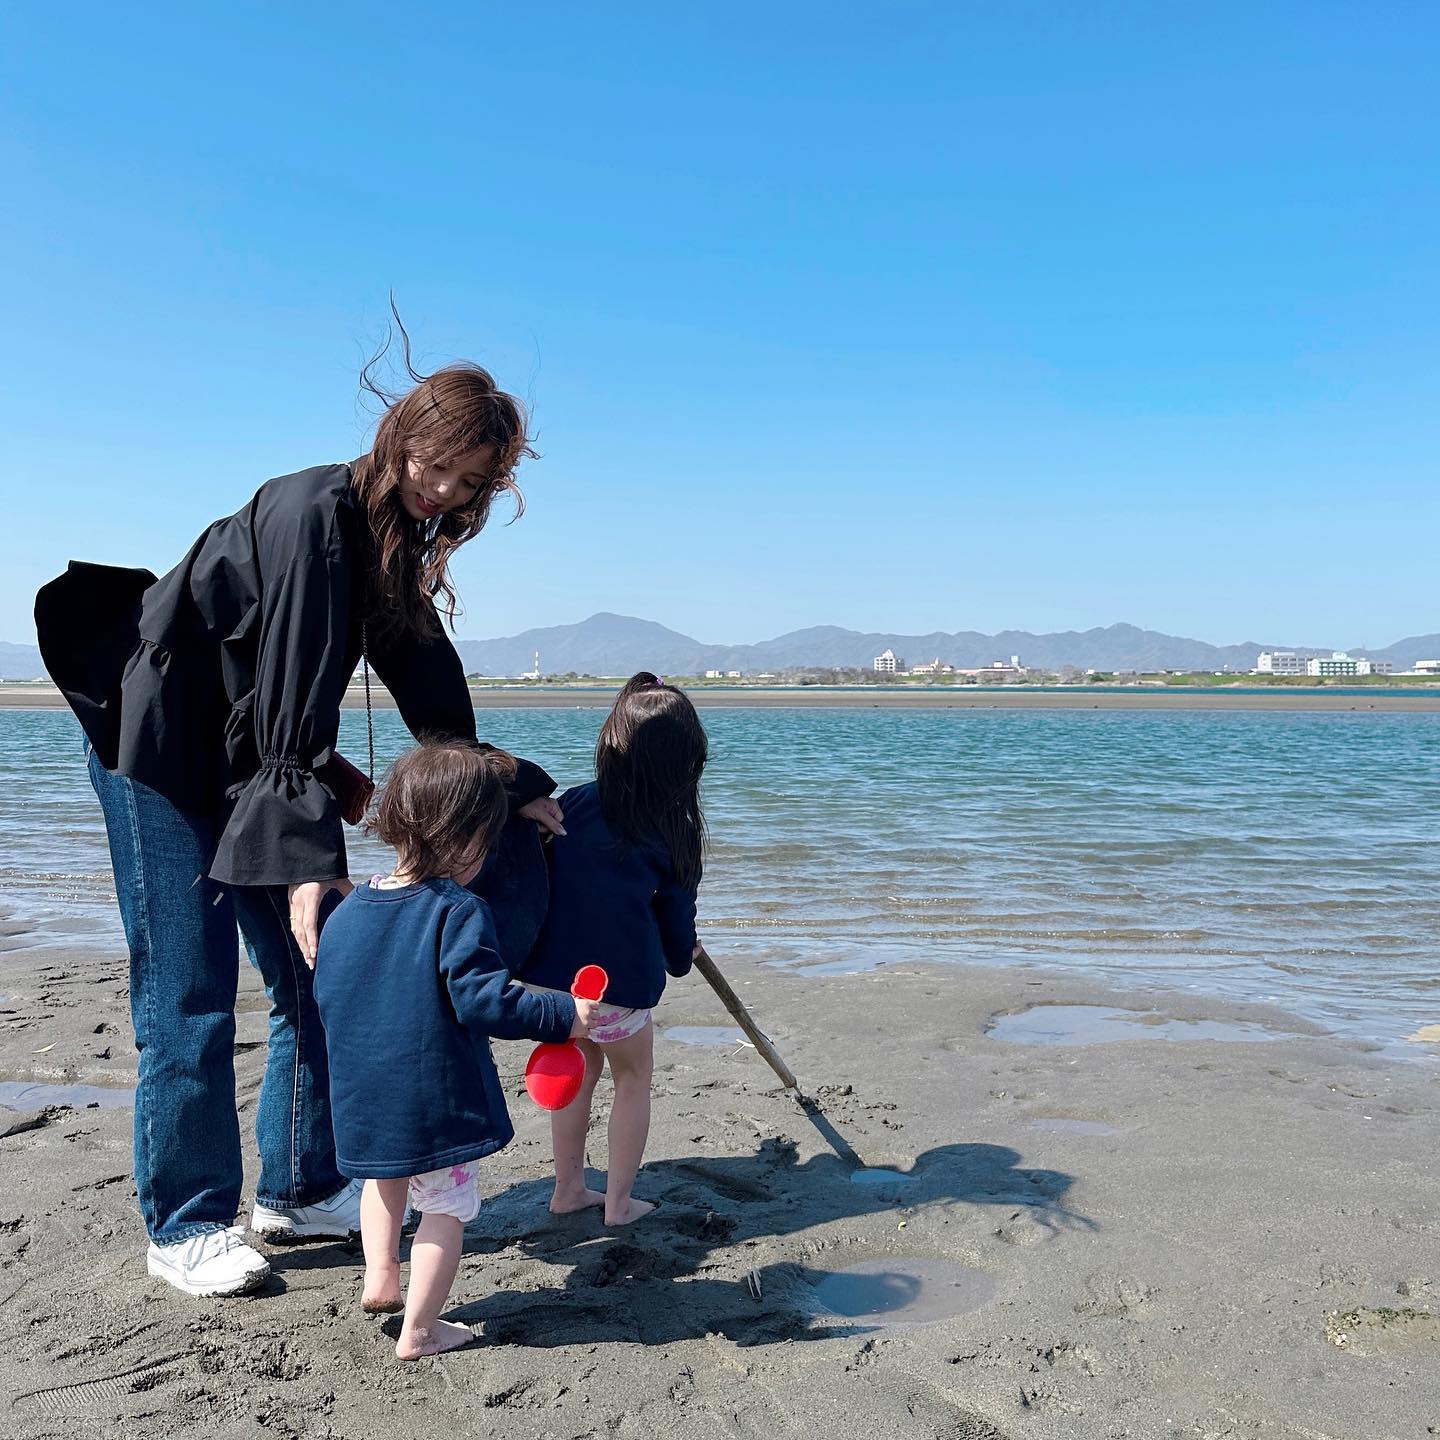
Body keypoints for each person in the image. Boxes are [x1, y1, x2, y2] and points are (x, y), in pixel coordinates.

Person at [32, 323, 567, 1298]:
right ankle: (186, 1222)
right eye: (436, 464)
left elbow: (428, 681)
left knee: (319, 975)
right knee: (190, 992)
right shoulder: (313, 514)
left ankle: (300, 1185)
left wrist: (505, 784)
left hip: (248, 759)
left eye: (468, 483)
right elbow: (286, 712)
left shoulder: (392, 545)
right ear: (402, 433)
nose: (443, 491)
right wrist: (312, 863)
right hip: (157, 753)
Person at [313, 740, 598, 1360]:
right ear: (469, 842)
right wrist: (564, 1018)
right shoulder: (459, 910)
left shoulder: (351, 908)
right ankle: (420, 1329)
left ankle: (380, 1275)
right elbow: (485, 1001)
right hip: (434, 1099)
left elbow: (330, 993)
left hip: (364, 1092)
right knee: (446, 1207)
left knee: (383, 1181)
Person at [521, 672, 706, 1226]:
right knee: (633, 1077)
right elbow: (676, 916)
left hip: (557, 983)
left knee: (578, 1071)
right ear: (685, 761)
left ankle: (568, 1189)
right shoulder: (673, 827)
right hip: (619, 986)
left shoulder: (574, 804)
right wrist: (681, 956)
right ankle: (619, 1204)